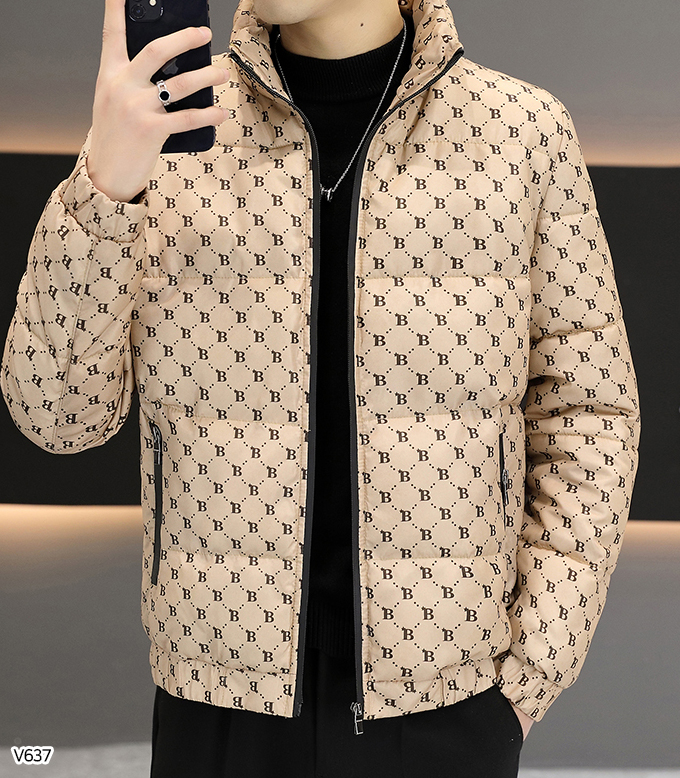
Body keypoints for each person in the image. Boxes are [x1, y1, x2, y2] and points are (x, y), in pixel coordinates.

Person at [1, 0, 640, 775]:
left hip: (447, 708)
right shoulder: (168, 128)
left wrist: (530, 672)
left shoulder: (520, 132)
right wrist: (105, 184)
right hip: (219, 705)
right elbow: (57, 414)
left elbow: (589, 413)